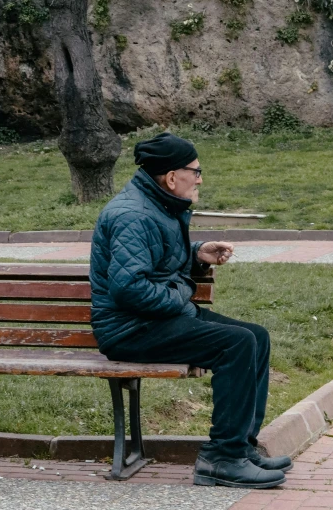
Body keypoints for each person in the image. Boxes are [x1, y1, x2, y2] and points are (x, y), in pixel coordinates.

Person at [90, 131, 291, 489]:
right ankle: (221, 460)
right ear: (171, 177)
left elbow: (157, 261)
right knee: (237, 343)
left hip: (156, 320)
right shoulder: (132, 214)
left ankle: (240, 449)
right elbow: (128, 289)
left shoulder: (157, 205)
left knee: (256, 337)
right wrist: (181, 296)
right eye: (195, 171)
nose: (199, 178)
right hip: (130, 330)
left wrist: (196, 252)